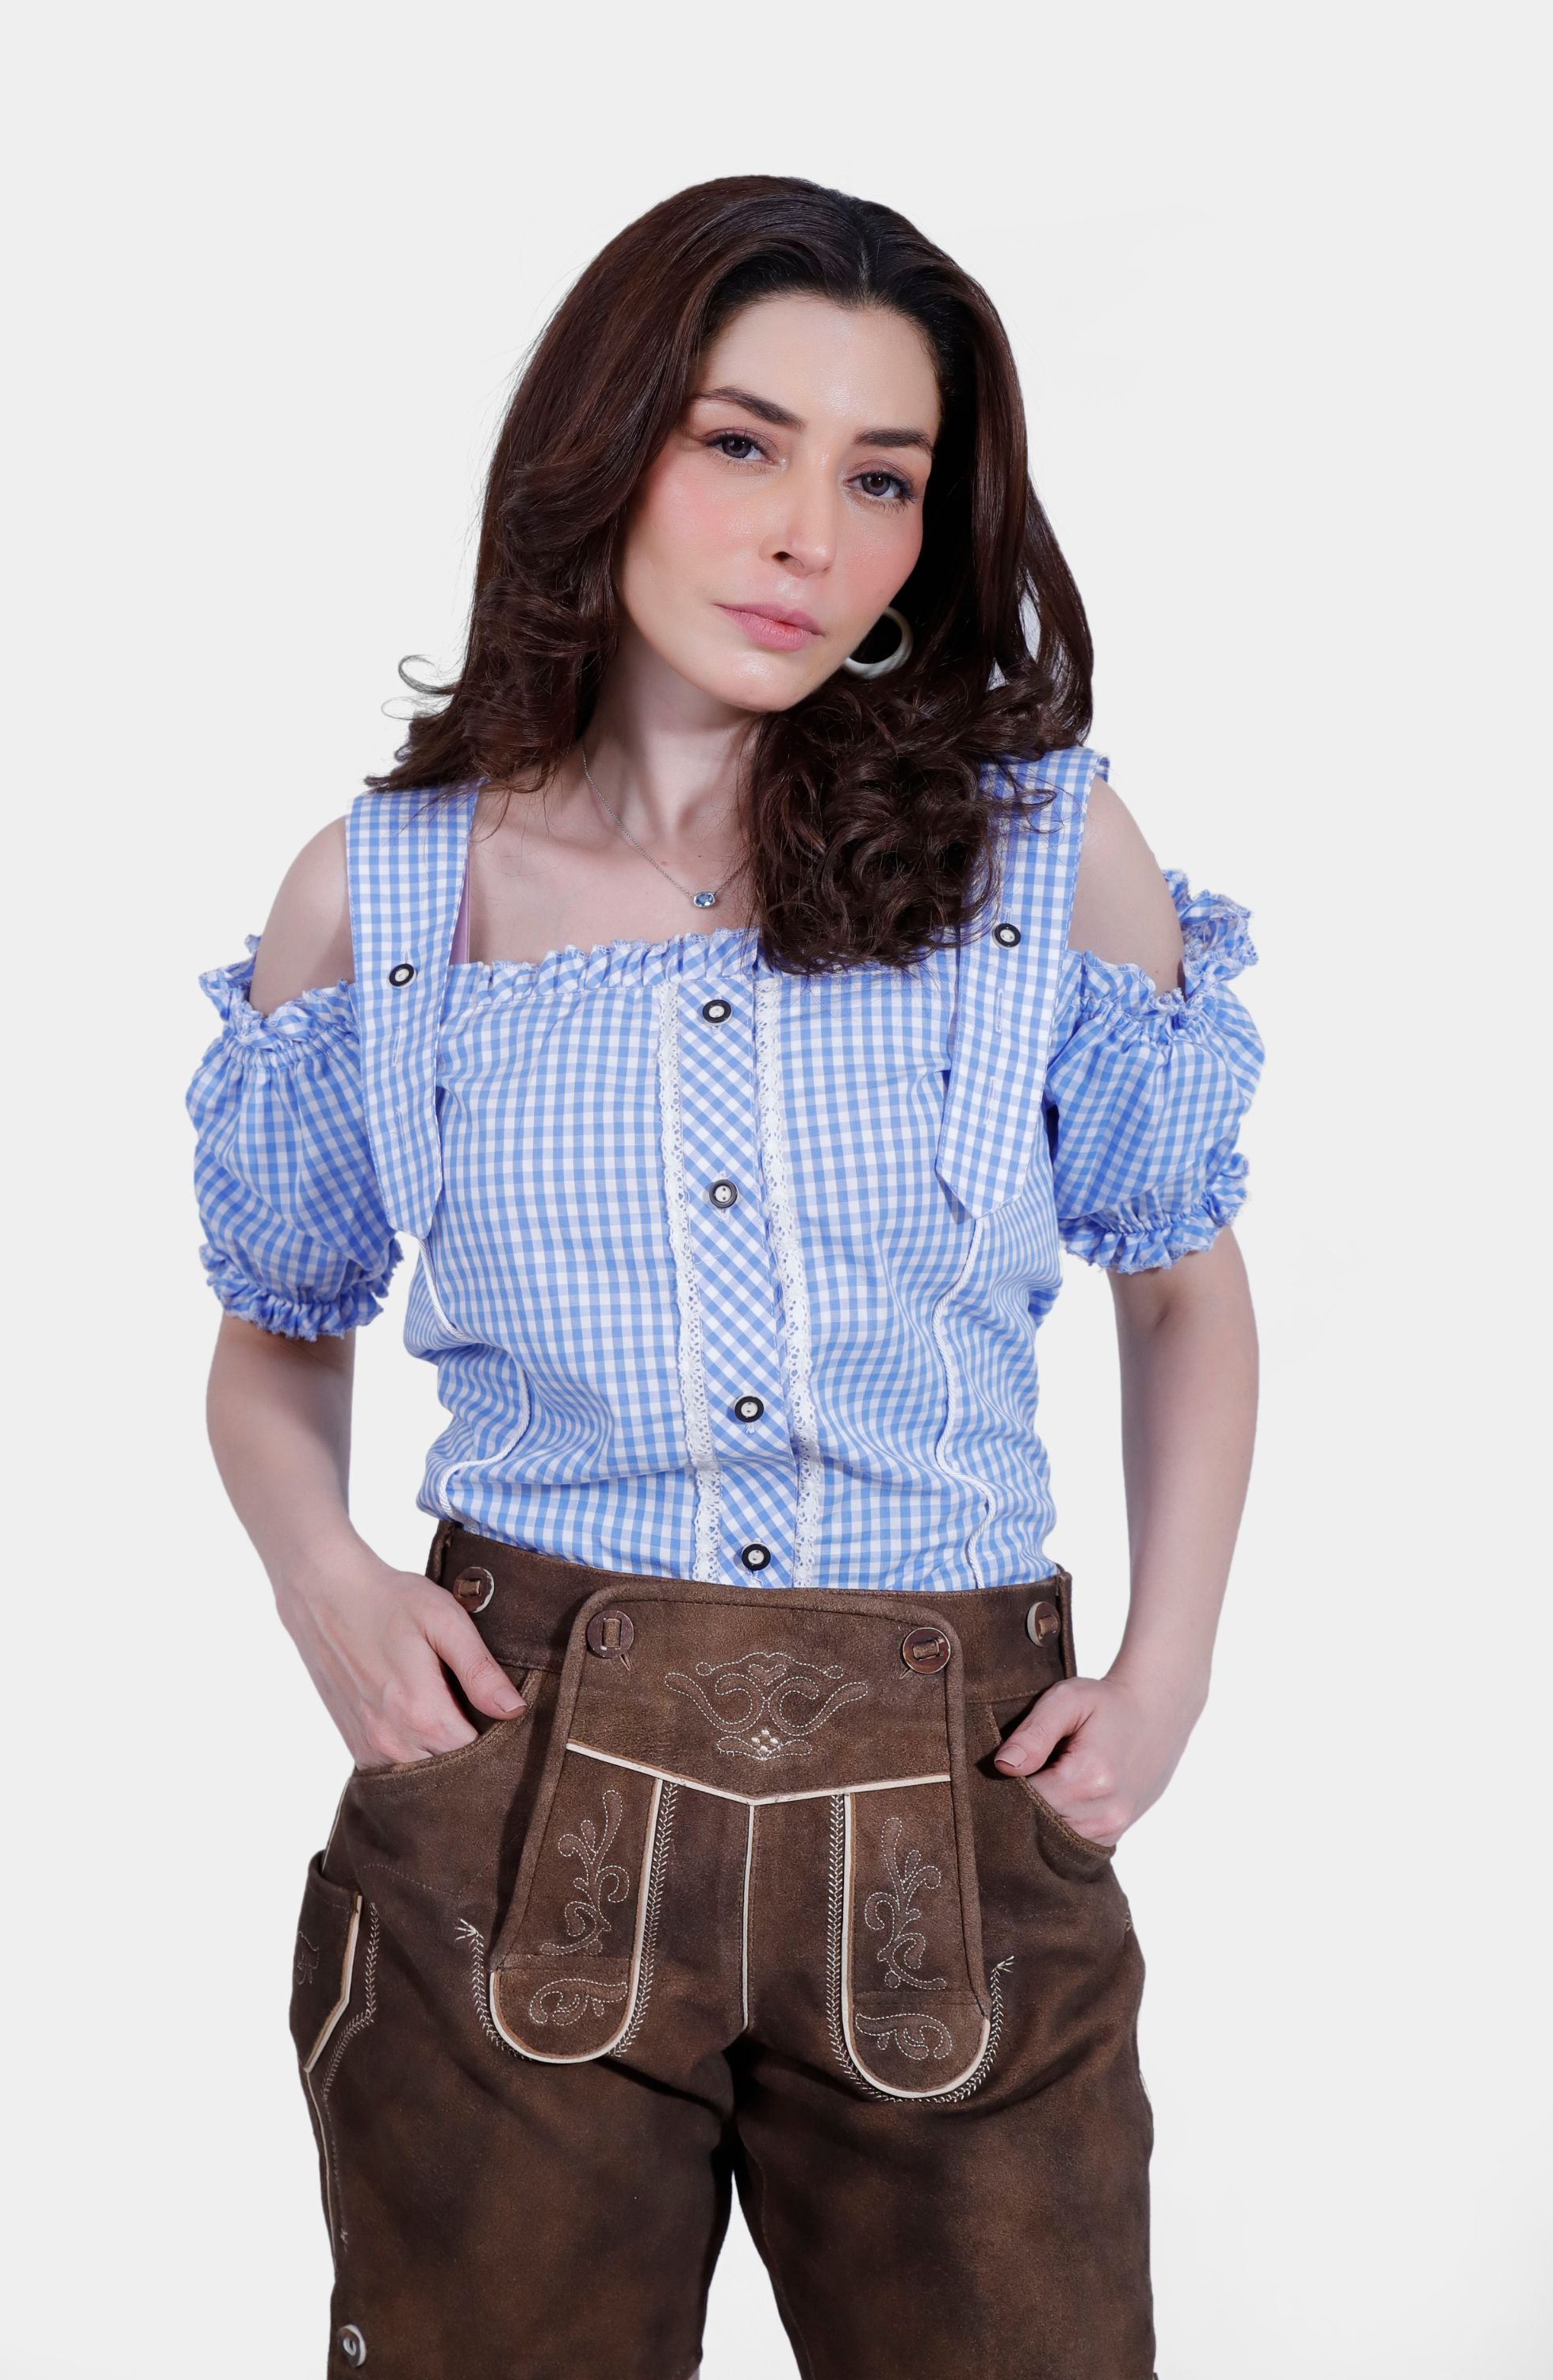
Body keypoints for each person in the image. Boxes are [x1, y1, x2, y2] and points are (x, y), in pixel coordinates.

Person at [186, 174, 1263, 2380]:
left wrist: (1166, 1676)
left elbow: (1185, 1287)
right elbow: (273, 1340)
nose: (811, 534)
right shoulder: (386, 902)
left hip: (963, 1802)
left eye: (883, 477)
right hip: (513, 1790)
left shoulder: (1047, 856)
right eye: (744, 442)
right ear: (607, 454)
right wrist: (327, 1585)